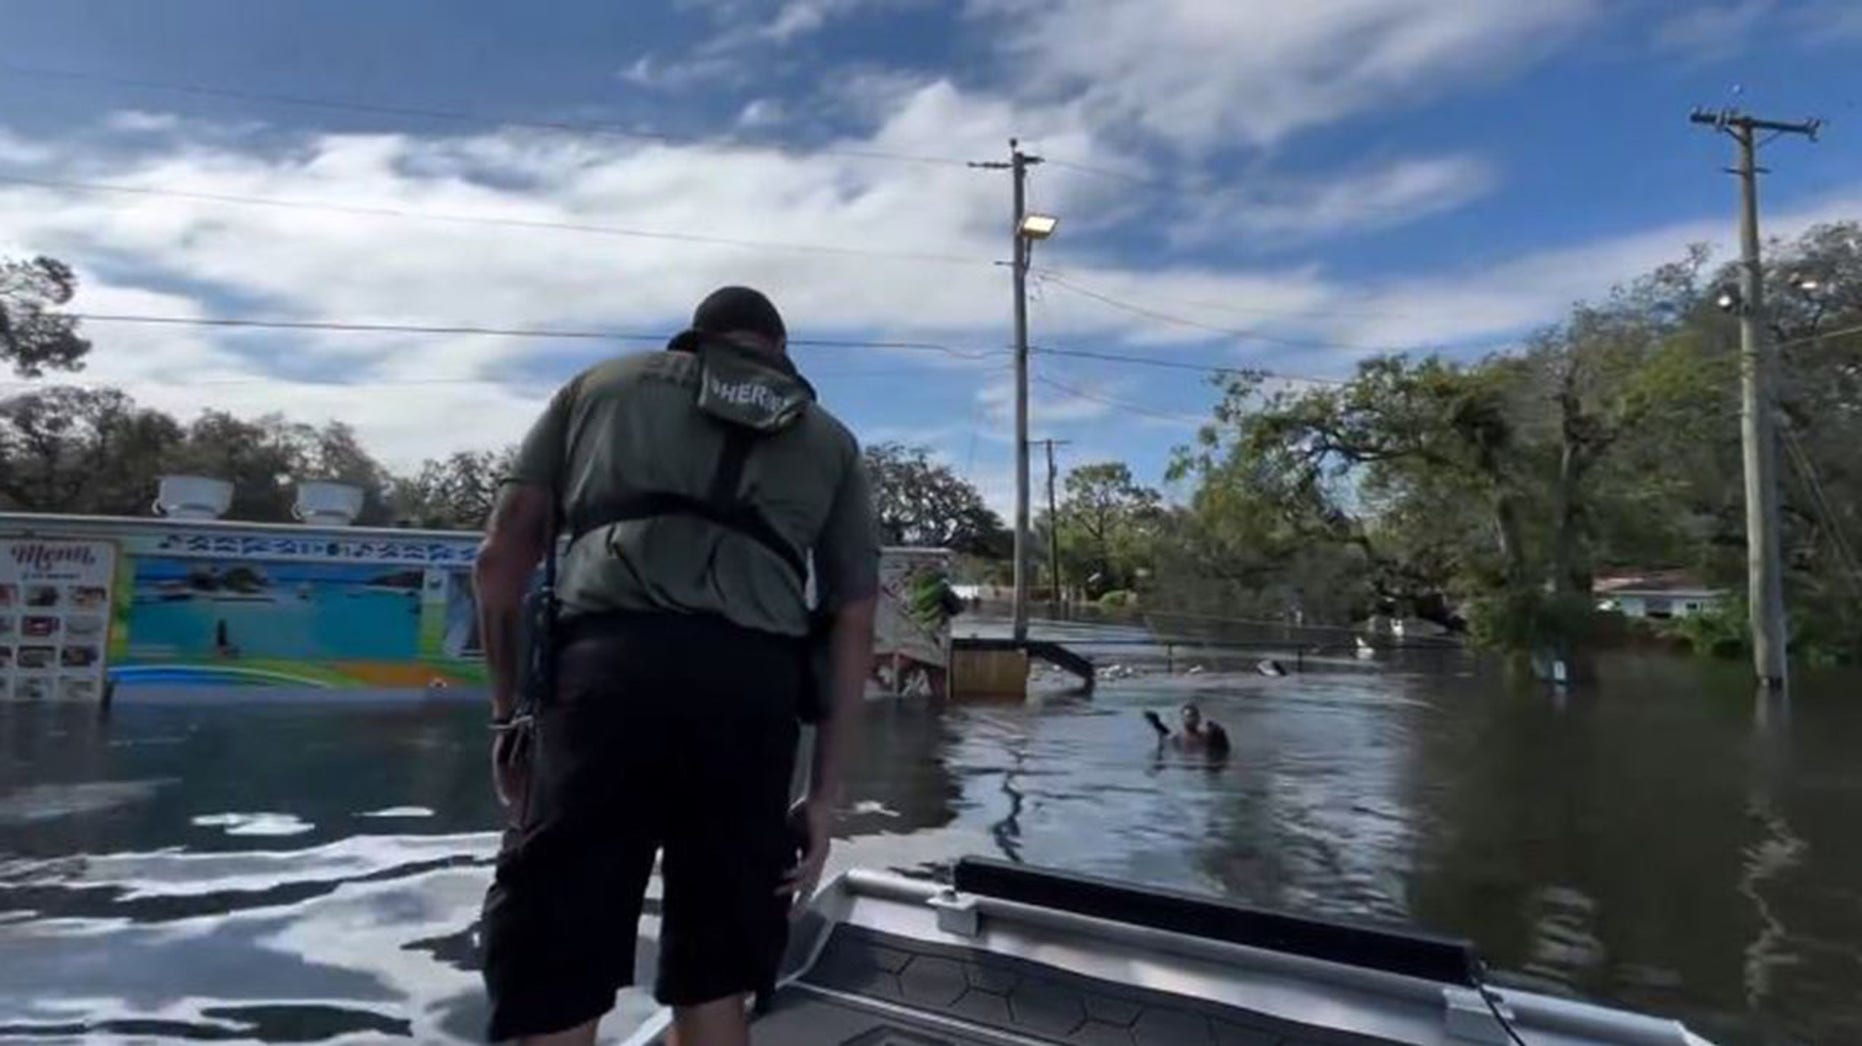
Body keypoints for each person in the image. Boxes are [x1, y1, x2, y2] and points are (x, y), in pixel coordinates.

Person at [474, 286, 880, 1046]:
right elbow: (854, 617)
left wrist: (509, 716)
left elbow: (502, 562)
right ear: (780, 352)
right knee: (717, 972)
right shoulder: (830, 440)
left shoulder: (599, 388)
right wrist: (824, 795)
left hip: (605, 683)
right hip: (752, 699)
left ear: (693, 340)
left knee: (555, 961)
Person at [1144, 702, 1231, 757]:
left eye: (1194, 716)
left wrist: (1222, 737)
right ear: (1182, 719)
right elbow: (1164, 740)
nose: (1191, 719)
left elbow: (1223, 753)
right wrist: (1157, 724)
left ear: (1199, 718)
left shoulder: (1207, 736)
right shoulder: (1176, 738)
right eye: (1188, 716)